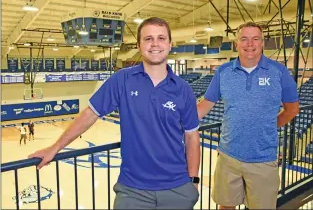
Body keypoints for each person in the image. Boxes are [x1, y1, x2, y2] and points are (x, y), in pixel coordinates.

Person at [29, 17, 200, 209]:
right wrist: (55, 147)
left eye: (161, 38)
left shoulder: (183, 89)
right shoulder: (122, 80)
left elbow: (192, 136)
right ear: (139, 44)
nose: (155, 44)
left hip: (177, 187)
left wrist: (193, 182)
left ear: (170, 44)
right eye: (148, 38)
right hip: (133, 189)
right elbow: (89, 114)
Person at [197, 22, 299, 210]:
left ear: (262, 43)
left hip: (263, 158)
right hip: (228, 156)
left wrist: (269, 124)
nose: (249, 44)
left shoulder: (279, 72)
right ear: (236, 44)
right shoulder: (223, 72)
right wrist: (174, 121)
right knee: (226, 206)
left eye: (255, 39)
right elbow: (203, 106)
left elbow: (292, 109)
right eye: (244, 39)